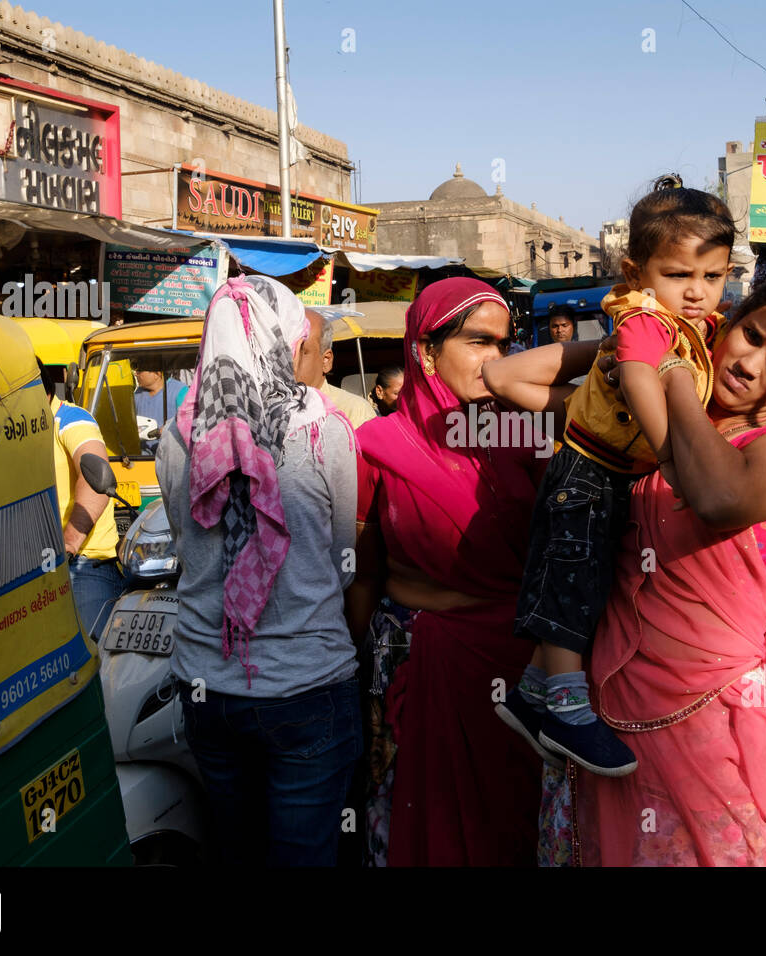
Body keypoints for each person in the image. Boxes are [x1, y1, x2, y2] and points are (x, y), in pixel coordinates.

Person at [506, 273, 766, 865]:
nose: (750, 362)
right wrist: (633, 339)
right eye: (751, 334)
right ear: (731, 318)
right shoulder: (647, 415)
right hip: (608, 707)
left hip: (712, 718)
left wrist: (672, 374)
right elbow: (507, 379)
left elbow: (717, 499)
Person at [485, 174, 733, 777]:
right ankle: (568, 710)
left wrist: (589, 400)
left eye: (713, 275)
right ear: (635, 271)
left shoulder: (693, 329)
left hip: (608, 471)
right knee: (571, 577)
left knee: (584, 578)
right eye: (679, 275)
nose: (697, 291)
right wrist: (672, 456)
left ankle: (533, 693)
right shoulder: (645, 321)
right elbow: (646, 382)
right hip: (590, 472)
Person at [156, 274, 360, 867]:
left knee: (237, 851)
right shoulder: (323, 431)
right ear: (284, 341)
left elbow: (185, 545)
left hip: (206, 685)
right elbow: (341, 562)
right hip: (308, 689)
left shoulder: (175, 436)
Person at [348, 278, 551, 866]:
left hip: (517, 667)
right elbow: (363, 573)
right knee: (422, 823)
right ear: (426, 352)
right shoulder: (376, 444)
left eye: (505, 344)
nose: (496, 359)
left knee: (512, 824)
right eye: (478, 341)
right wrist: (343, 663)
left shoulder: (526, 433)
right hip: (420, 658)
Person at [40, 360, 123, 640]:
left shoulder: (71, 420)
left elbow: (95, 478)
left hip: (83, 565)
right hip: (36, 569)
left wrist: (68, 543)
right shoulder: (20, 430)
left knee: (91, 664)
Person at [305, 309, 378, 428]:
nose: (287, 361)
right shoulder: (271, 409)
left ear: (326, 360)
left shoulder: (354, 410)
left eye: (303, 352)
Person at [132, 356, 187, 452]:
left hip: (170, 459)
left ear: (156, 373)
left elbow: (189, 423)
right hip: (141, 460)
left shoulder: (181, 391)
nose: (136, 374)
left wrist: (165, 431)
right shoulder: (136, 394)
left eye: (139, 370)